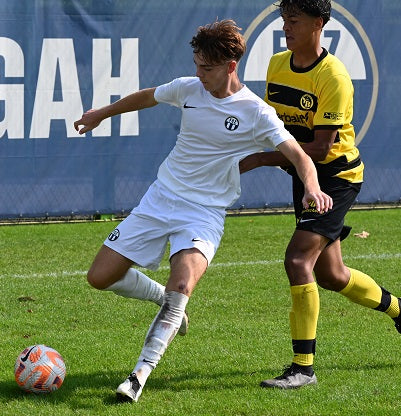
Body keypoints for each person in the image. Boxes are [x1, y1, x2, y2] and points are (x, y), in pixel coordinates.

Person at [74, 19, 332, 402]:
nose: (199, 74)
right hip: (160, 198)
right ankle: (161, 298)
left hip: (204, 212)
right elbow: (147, 96)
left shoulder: (255, 112)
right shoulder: (189, 88)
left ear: (230, 66)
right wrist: (102, 114)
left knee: (183, 287)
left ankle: (138, 376)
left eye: (207, 68)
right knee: (99, 277)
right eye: (196, 64)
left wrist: (312, 186)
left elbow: (298, 154)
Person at [240, 0, 401, 389]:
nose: (285, 27)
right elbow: (275, 127)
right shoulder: (278, 64)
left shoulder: (334, 77)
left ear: (319, 23)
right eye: (283, 20)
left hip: (335, 176)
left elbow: (322, 148)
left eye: (293, 20)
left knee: (297, 260)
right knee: (332, 274)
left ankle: (302, 369)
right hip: (302, 171)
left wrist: (262, 158)